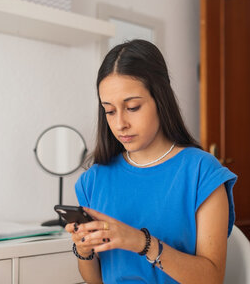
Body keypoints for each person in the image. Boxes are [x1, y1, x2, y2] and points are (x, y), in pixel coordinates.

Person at [66, 39, 237, 283]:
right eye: (110, 111)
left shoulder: (201, 172)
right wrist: (83, 251)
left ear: (161, 99)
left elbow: (212, 278)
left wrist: (141, 243)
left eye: (133, 107)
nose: (120, 123)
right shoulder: (93, 179)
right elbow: (96, 281)